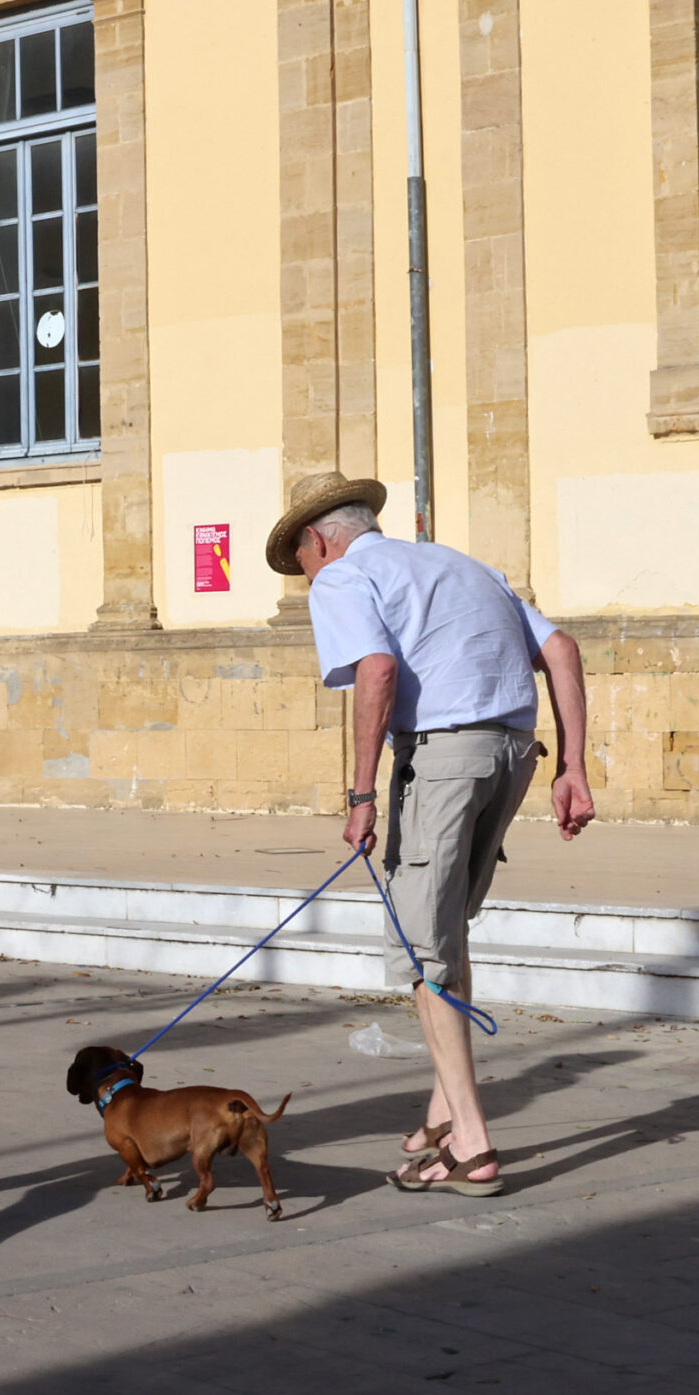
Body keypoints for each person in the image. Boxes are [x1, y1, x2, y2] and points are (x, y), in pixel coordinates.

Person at [265, 472, 594, 1196]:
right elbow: (562, 650)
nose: (306, 577)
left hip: (443, 759)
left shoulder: (343, 578)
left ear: (319, 539)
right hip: (513, 751)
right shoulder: (460, 564)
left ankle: (472, 1147)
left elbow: (376, 672)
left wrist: (360, 795)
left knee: (421, 952)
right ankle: (445, 1115)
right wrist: (573, 766)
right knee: (444, 933)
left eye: (303, 561)